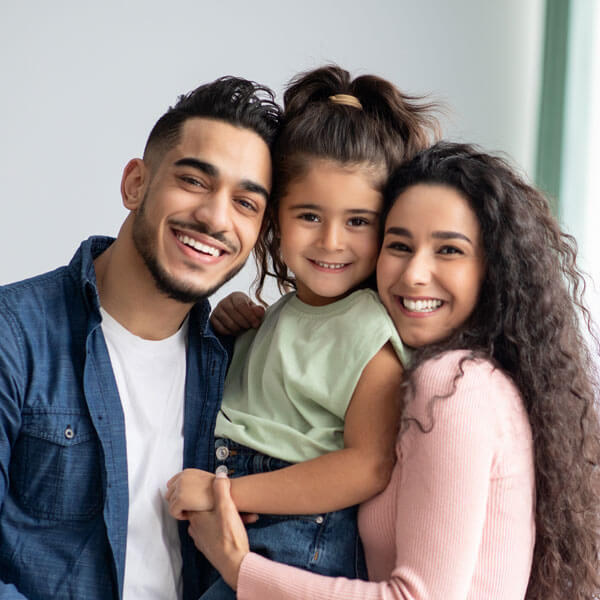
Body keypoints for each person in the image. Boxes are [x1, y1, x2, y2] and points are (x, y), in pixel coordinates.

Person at [186, 142, 600, 599]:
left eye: (449, 250)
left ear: (493, 269)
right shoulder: (449, 376)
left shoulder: (454, 385)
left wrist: (237, 564)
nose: (415, 274)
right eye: (400, 245)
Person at [0, 76, 281, 600]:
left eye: (246, 203)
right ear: (135, 184)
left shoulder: (240, 364)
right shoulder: (13, 334)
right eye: (195, 181)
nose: (216, 217)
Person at [165, 66, 439, 599]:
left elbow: (368, 464)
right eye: (309, 215)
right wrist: (234, 327)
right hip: (242, 514)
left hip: (296, 540)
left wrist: (228, 491)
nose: (332, 242)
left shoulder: (367, 328)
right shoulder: (285, 314)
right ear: (274, 221)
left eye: (358, 221)